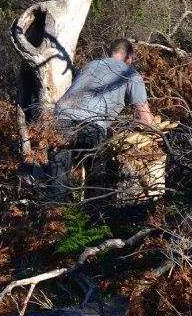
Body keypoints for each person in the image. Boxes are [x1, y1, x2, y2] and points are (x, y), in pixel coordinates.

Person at [47, 39, 155, 201]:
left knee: (57, 182)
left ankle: (54, 219)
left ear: (110, 52)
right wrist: (155, 132)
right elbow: (145, 119)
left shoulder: (90, 66)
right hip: (91, 123)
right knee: (96, 180)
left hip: (60, 120)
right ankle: (94, 219)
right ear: (129, 57)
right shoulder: (131, 74)